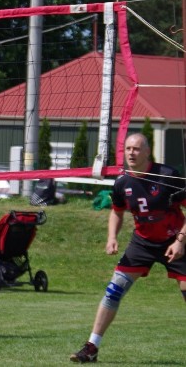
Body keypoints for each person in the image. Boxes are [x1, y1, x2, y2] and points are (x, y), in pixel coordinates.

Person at [70, 133, 186, 363]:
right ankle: (91, 346)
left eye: (136, 148)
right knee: (113, 291)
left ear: (147, 152)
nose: (131, 153)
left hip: (175, 239)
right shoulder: (122, 181)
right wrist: (112, 236)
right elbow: (117, 211)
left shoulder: (167, 175)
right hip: (142, 242)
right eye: (128, 149)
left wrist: (180, 241)